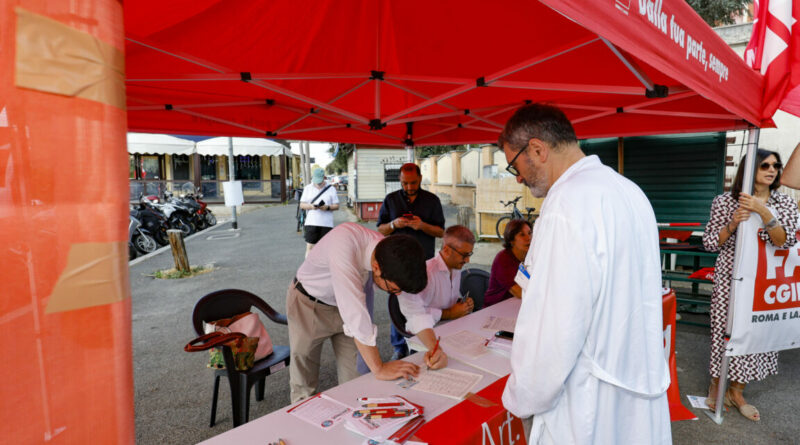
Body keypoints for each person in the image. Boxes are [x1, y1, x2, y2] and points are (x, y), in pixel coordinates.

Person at [498, 104, 671, 445]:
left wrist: (521, 396)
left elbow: (552, 328)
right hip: (637, 386)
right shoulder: (630, 191)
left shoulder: (565, 205)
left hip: (589, 404)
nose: (517, 177)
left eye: (514, 164)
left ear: (536, 149)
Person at [286, 222, 437, 403]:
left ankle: (354, 423)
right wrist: (380, 368)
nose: (397, 294)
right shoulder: (344, 245)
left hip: (347, 310)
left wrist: (435, 349)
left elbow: (413, 309)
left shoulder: (391, 256)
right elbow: (355, 315)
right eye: (394, 290)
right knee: (304, 378)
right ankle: (302, 425)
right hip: (309, 303)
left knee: (355, 379)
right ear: (376, 268)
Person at [702, 149, 797, 421]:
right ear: (749, 169)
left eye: (776, 166)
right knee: (725, 330)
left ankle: (737, 390)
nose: (772, 170)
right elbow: (710, 243)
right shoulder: (724, 201)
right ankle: (716, 384)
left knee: (757, 332)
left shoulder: (785, 204)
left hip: (766, 280)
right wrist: (732, 223)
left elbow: (784, 241)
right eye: (765, 165)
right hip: (730, 277)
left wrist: (763, 211)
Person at [377, 162, 445, 359]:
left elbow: (441, 231)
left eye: (413, 183)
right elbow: (381, 228)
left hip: (424, 261)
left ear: (421, 178)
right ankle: (399, 346)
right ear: (400, 180)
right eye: (405, 183)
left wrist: (422, 225)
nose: (409, 187)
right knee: (397, 302)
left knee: (423, 302)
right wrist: (393, 224)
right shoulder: (391, 199)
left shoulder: (432, 200)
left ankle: (423, 341)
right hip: (396, 262)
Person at [397, 225, 476, 368]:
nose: (467, 261)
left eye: (469, 255)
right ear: (446, 250)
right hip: (426, 334)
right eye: (464, 255)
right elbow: (415, 316)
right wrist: (450, 313)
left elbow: (447, 300)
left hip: (449, 328)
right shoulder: (425, 273)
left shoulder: (456, 267)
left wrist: (462, 304)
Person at [484, 219, 532, 307]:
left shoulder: (530, 257)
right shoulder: (503, 259)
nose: (528, 238)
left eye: (529, 233)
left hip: (517, 305)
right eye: (522, 235)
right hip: (495, 308)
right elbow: (519, 292)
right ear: (511, 240)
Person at [299, 168, 339, 257]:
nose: (318, 184)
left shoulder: (331, 189)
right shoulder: (308, 188)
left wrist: (327, 207)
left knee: (325, 249)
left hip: (326, 224)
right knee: (310, 247)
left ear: (324, 178)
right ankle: (309, 269)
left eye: (320, 182)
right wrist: (311, 206)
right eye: (316, 181)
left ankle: (323, 269)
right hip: (311, 222)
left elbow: (337, 206)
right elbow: (302, 204)